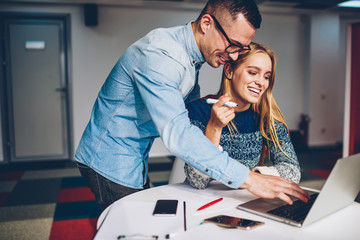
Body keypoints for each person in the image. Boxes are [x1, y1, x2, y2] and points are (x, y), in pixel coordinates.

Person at [75, 0, 308, 211]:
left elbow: (184, 108)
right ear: (207, 23)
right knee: (130, 227)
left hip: (136, 155)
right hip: (111, 158)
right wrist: (249, 178)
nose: (235, 56)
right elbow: (178, 134)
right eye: (233, 44)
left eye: (241, 49)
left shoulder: (191, 56)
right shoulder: (162, 57)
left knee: (147, 219)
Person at [185, 42, 303, 203]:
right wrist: (214, 127)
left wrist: (254, 179)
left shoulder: (266, 118)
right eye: (253, 72)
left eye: (266, 76)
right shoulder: (198, 111)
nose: (261, 82)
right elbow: (197, 181)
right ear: (229, 71)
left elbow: (292, 170)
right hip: (202, 202)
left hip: (243, 202)